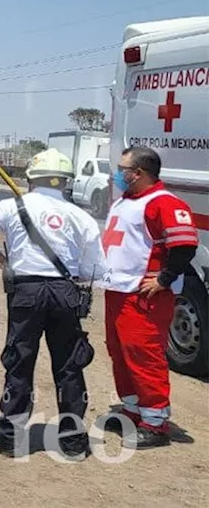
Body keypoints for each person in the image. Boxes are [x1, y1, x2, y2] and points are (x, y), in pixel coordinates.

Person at [0, 148, 104, 460]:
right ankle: (73, 441)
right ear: (65, 182)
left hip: (26, 293)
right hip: (65, 293)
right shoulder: (80, 215)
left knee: (19, 361)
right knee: (69, 365)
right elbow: (96, 266)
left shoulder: (12, 206)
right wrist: (76, 275)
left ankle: (10, 437)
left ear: (31, 178)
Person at [100, 145, 200, 449]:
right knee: (120, 354)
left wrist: (164, 278)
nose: (118, 174)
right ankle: (133, 409)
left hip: (143, 296)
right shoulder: (125, 201)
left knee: (145, 357)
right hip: (117, 292)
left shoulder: (164, 203)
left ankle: (155, 423)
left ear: (138, 173)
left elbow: (184, 245)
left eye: (122, 169)